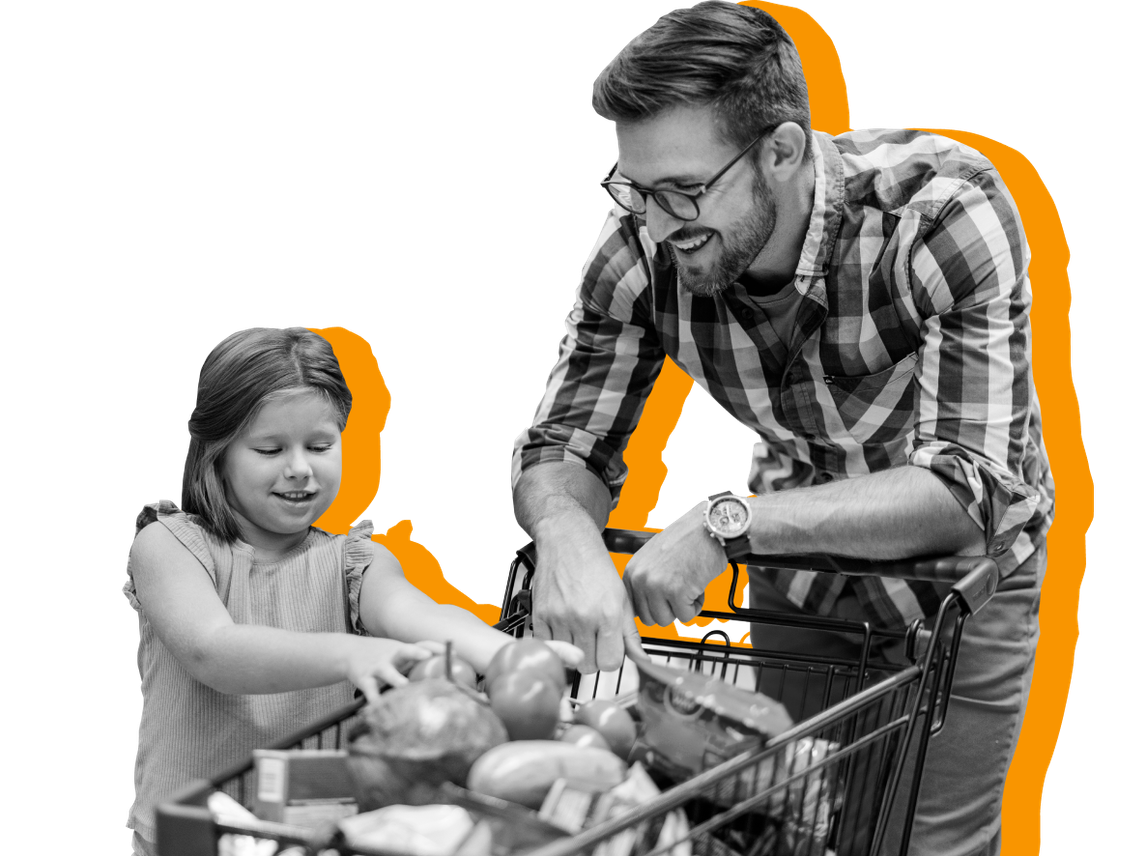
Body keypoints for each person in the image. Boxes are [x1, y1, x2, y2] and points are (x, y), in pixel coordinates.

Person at [508, 2, 1053, 854]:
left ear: (785, 150)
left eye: (685, 189)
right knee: (781, 829)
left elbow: (964, 484)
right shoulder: (639, 250)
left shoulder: (940, 210)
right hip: (797, 584)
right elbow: (561, 446)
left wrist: (724, 525)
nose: (657, 224)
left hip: (960, 593)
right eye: (637, 191)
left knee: (924, 847)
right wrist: (564, 536)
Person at [124, 327, 580, 856]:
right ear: (217, 452)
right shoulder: (171, 545)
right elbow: (212, 649)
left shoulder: (351, 562)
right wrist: (351, 653)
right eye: (270, 449)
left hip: (305, 836)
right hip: (188, 839)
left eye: (320, 446)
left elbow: (422, 616)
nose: (300, 469)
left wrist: (517, 659)